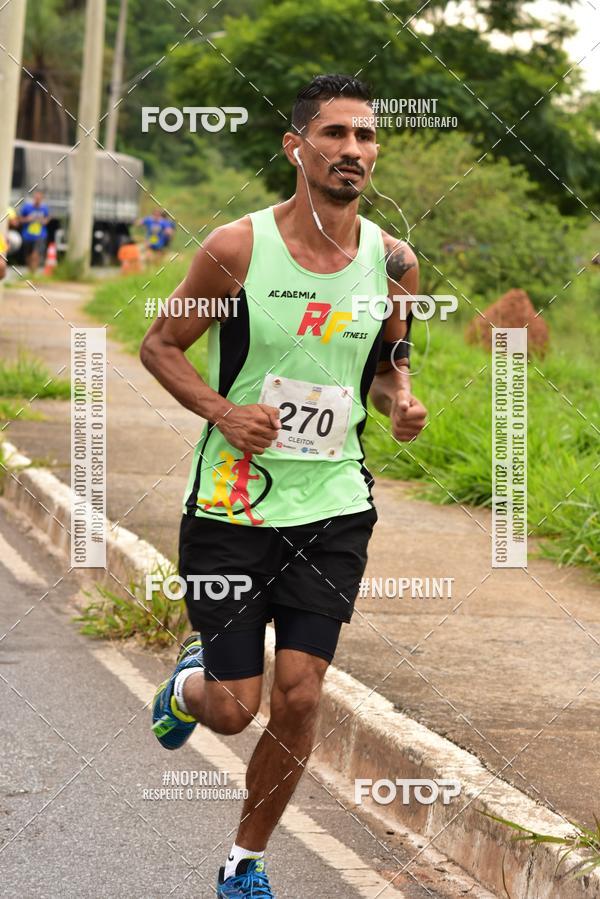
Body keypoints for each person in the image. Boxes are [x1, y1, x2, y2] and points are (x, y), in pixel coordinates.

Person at [140, 73, 427, 898]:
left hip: (334, 504)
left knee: (300, 695)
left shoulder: (395, 261)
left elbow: (387, 366)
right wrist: (224, 411)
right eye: (334, 134)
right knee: (233, 706)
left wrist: (400, 401)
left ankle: (245, 862)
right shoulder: (236, 249)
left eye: (366, 136)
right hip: (232, 504)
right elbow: (162, 344)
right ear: (295, 147)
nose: (353, 150)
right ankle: (188, 683)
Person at [19, 191, 50, 273]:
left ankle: (34, 271)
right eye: (36, 198)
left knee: (36, 254)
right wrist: (28, 219)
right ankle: (30, 270)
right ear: (34, 198)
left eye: (39, 199)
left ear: (41, 199)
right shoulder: (27, 207)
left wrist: (43, 221)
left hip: (40, 235)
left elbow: (47, 219)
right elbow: (19, 219)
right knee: (28, 254)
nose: (37, 200)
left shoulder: (44, 208)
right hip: (28, 235)